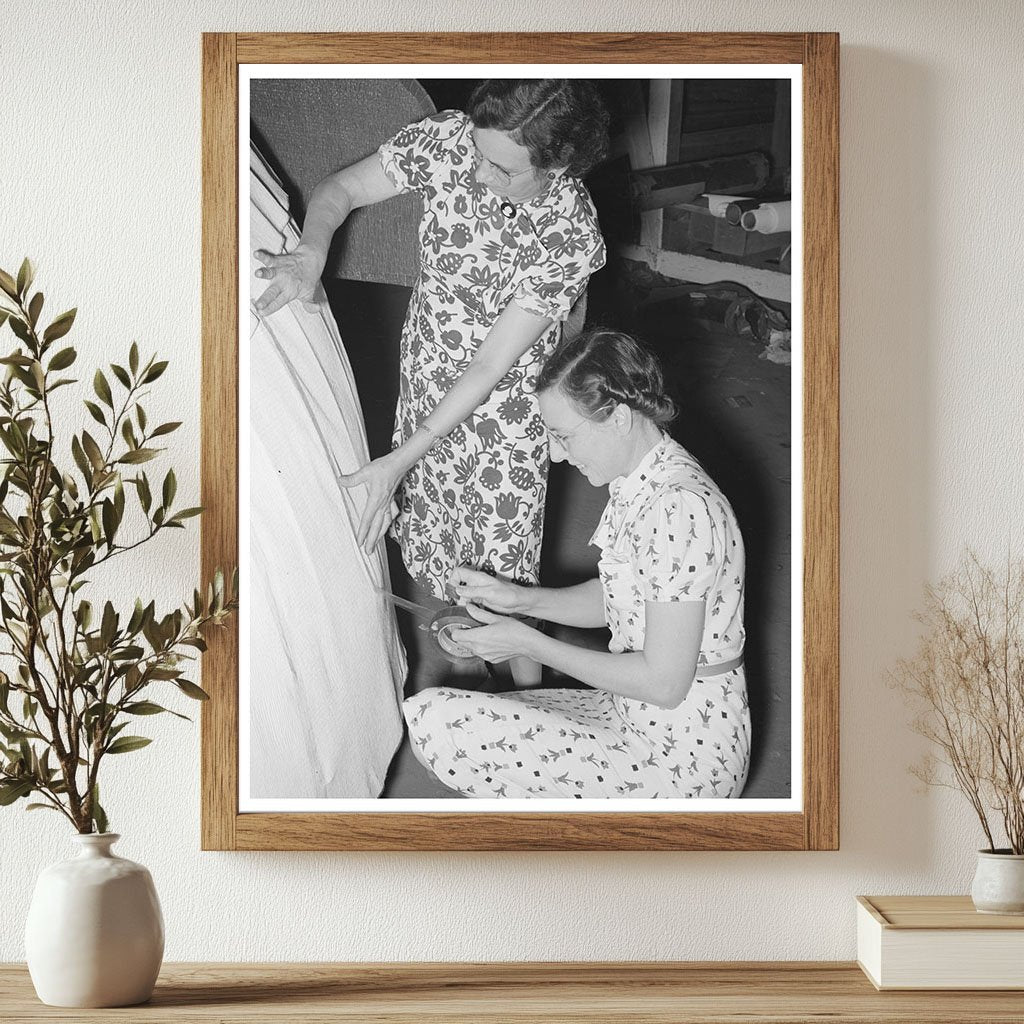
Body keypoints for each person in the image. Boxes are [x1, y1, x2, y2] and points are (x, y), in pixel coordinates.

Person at [253, 82, 609, 668]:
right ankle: (474, 695)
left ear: (560, 164)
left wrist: (399, 459)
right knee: (445, 557)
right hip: (426, 381)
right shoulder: (447, 141)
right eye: (478, 152)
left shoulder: (568, 231)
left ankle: (529, 702)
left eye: (502, 168)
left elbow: (491, 367)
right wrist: (312, 247)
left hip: (505, 413)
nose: (479, 174)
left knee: (506, 583)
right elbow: (339, 188)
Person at [402, 329, 750, 799]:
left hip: (681, 756)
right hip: (636, 714)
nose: (555, 454)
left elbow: (665, 684)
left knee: (438, 722)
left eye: (563, 436)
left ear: (620, 418)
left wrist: (529, 644)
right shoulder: (646, 478)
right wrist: (520, 599)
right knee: (458, 714)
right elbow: (622, 598)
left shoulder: (678, 507)